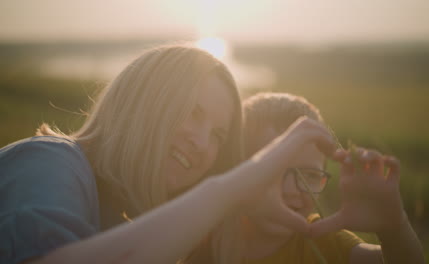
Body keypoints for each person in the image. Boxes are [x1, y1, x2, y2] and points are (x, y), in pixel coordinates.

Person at [0, 46, 337, 264]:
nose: (203, 143)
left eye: (219, 135)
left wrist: (390, 228)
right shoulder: (49, 161)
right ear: (144, 101)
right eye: (193, 112)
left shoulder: (122, 217)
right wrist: (228, 189)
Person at [196, 92, 425, 264]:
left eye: (310, 175)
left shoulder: (325, 241)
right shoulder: (201, 238)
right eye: (272, 171)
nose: (290, 190)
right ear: (238, 169)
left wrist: (393, 227)